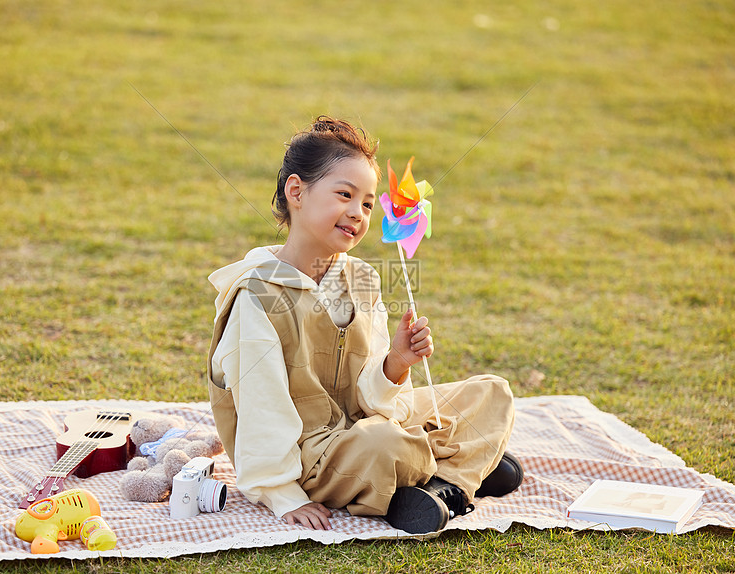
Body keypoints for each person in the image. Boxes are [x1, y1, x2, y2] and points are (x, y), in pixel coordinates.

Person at [207, 116, 522, 534]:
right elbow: (261, 409)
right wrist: (282, 494)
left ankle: (449, 486)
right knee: (386, 444)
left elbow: (377, 401)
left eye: (369, 204)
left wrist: (396, 362)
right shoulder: (257, 295)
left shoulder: (362, 279)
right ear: (297, 191)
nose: (357, 213)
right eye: (344, 194)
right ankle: (463, 466)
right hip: (312, 455)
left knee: (491, 393)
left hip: (364, 423)